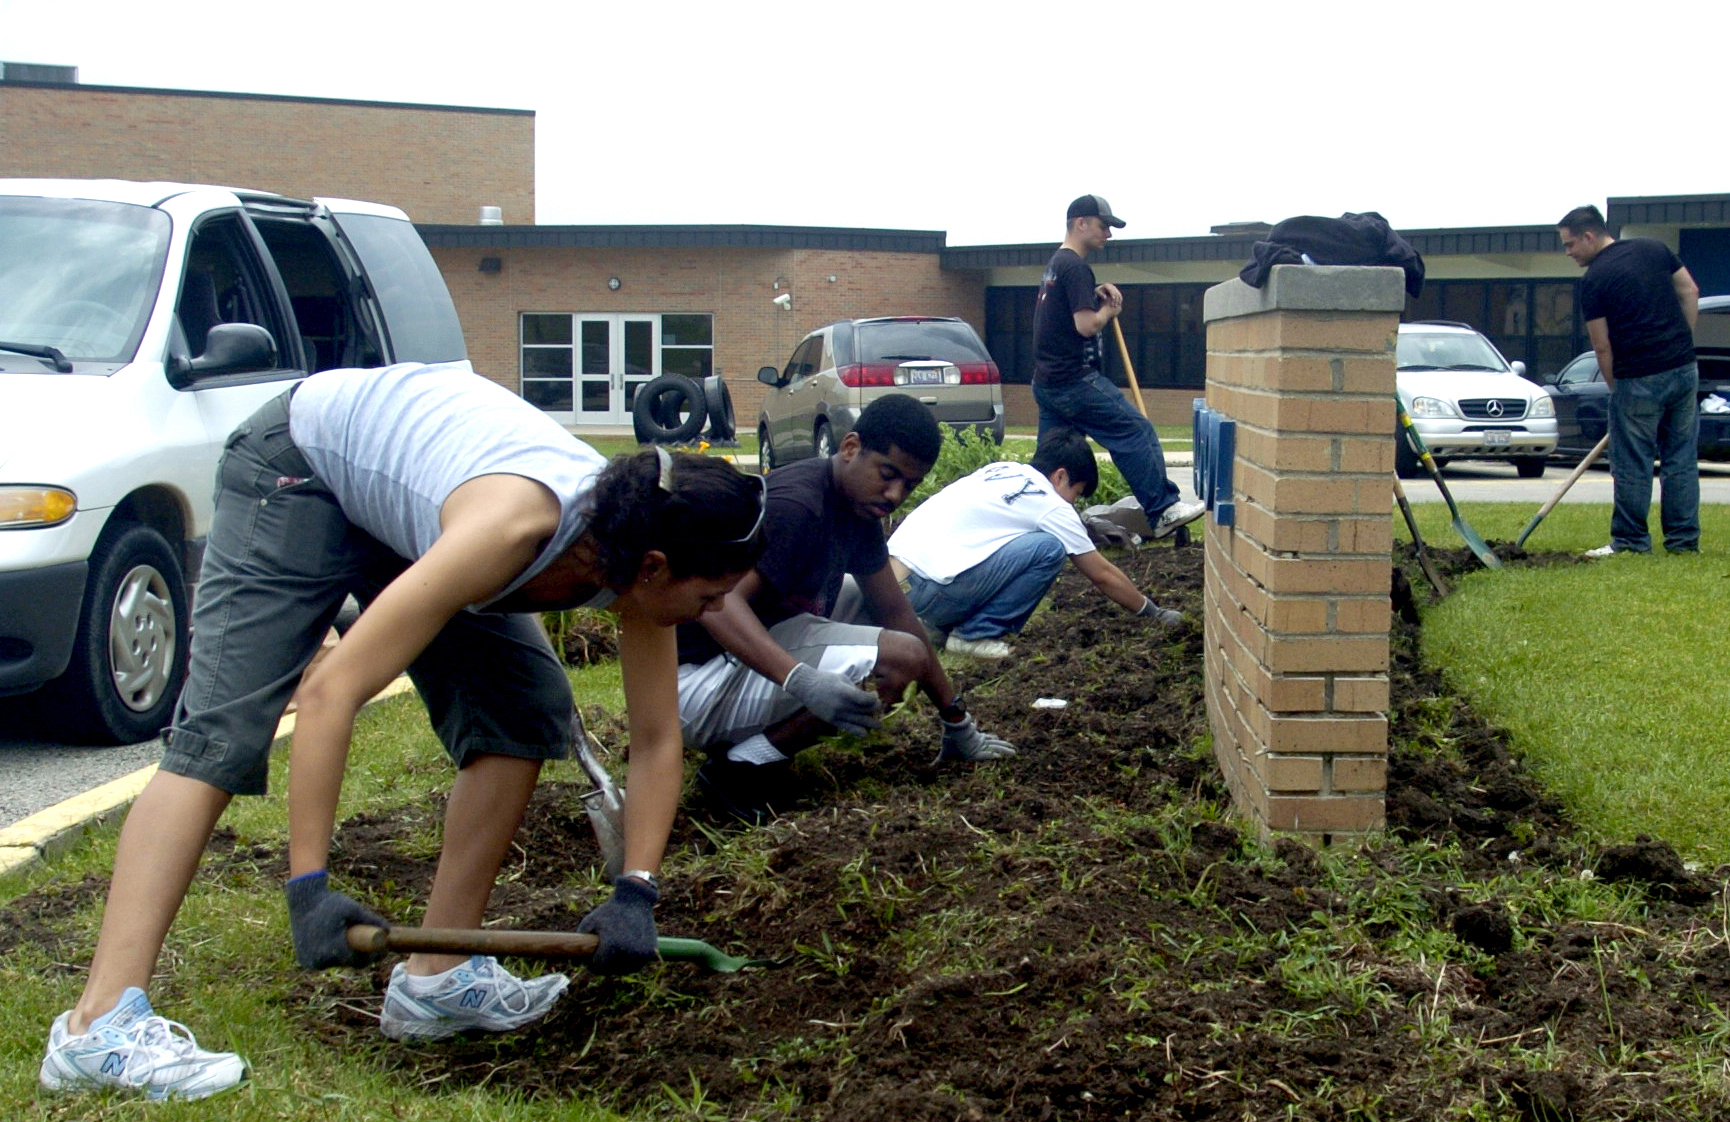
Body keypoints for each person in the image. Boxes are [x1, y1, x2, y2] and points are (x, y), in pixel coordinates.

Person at [39, 362, 766, 1100]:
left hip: (417, 495)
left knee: (520, 712)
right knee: (223, 733)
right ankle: (97, 1027)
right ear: (654, 566)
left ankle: (437, 980)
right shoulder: (516, 528)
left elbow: (655, 737)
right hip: (304, 461)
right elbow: (333, 691)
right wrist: (310, 887)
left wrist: (636, 891)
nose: (714, 613)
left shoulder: (639, 544)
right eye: (709, 596)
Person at [676, 393, 1014, 824]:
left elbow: (898, 615)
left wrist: (956, 721)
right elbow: (718, 608)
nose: (895, 495)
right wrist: (803, 682)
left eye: (909, 485)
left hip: (740, 658)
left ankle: (755, 747)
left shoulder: (858, 509)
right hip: (693, 684)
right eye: (887, 475)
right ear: (850, 448)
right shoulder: (799, 507)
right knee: (900, 656)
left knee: (880, 614)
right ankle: (740, 768)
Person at [887, 429, 1183, 660]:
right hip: (929, 593)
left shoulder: (1001, 471)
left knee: (997, 545)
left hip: (893, 590)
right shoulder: (1048, 501)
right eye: (1076, 494)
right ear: (1061, 476)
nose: (1073, 504)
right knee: (1048, 549)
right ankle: (974, 636)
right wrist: (1152, 612)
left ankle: (935, 627)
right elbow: (1101, 573)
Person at [1033, 193, 1205, 540]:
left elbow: (1068, 311)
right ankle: (1162, 510)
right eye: (1103, 226)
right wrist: (1108, 312)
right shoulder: (1075, 266)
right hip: (1073, 380)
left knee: (1054, 457)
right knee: (1134, 431)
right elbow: (1086, 325)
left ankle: (1038, 521)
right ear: (1080, 223)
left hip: (1046, 382)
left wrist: (1093, 292)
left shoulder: (1058, 264)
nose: (1108, 234)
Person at [1557, 204, 1701, 556]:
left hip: (1636, 377)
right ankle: (1683, 544)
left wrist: (1616, 390)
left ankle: (1631, 542)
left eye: (1570, 244)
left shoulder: (1593, 280)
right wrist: (1683, 344)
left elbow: (1601, 345)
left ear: (1589, 236)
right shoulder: (1654, 247)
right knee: (1680, 458)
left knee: (1632, 461)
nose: (1569, 252)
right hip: (1683, 369)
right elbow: (1690, 292)